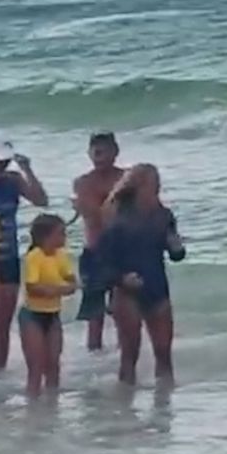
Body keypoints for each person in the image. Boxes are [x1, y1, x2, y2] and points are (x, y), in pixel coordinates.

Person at [94, 164, 185, 387]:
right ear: (138, 187)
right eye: (153, 184)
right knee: (129, 355)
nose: (158, 189)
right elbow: (102, 263)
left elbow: (176, 254)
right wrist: (122, 279)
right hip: (126, 292)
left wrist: (176, 246)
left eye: (158, 184)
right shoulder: (116, 219)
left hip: (157, 287)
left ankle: (164, 411)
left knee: (164, 355)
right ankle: (124, 413)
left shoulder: (164, 215)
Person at [0, 136, 49, 370]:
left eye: (4, 161)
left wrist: (27, 169)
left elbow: (41, 200)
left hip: (8, 255)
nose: (2, 166)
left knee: (2, 323)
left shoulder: (13, 180)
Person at [73, 131, 126, 351]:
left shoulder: (126, 178)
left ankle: (126, 354)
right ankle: (95, 362)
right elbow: (96, 216)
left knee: (123, 310)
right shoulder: (83, 182)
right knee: (94, 317)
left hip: (123, 251)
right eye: (95, 152)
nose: (98, 156)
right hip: (95, 251)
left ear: (115, 152)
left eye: (103, 151)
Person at [19, 214, 79, 398]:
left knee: (53, 364)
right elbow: (33, 288)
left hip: (53, 315)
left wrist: (66, 286)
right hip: (32, 316)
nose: (64, 238)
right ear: (46, 237)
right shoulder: (34, 257)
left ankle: (52, 409)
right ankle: (33, 407)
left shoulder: (61, 256)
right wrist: (62, 289)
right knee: (36, 367)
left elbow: (71, 280)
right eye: (60, 234)